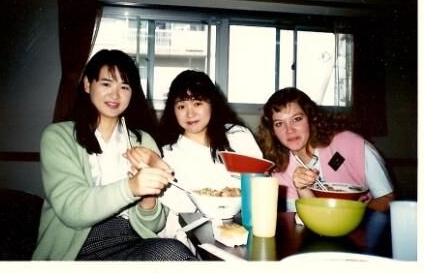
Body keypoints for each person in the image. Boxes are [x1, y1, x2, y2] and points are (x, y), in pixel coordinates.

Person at [32, 49, 197, 261]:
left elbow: (154, 224)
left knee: (174, 252)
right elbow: (71, 210)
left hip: (131, 240)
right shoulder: (58, 136)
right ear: (87, 84)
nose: (116, 95)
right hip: (76, 248)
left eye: (125, 87)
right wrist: (131, 187)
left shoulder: (143, 141)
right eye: (106, 84)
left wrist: (148, 195)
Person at [155, 70, 262, 250]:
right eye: (181, 106)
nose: (190, 114)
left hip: (244, 230)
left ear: (212, 103)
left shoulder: (239, 136)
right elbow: (178, 212)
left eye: (197, 103)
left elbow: (259, 185)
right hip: (192, 238)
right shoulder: (167, 154)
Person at [257, 87, 394, 213]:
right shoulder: (280, 170)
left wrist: (355, 214)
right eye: (279, 123)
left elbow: (387, 198)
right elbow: (304, 216)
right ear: (273, 131)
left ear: (311, 118)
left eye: (297, 119)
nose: (289, 130)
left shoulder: (351, 144)